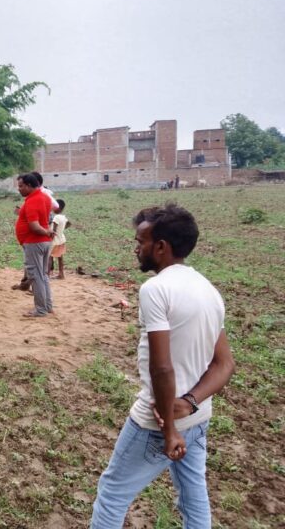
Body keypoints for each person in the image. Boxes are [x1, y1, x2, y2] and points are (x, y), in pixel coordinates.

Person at [91, 203, 235, 528]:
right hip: (197, 418)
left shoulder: (155, 290)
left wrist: (169, 428)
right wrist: (190, 402)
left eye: (140, 241)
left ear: (160, 247)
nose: (136, 248)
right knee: (193, 496)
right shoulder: (209, 291)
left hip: (156, 422)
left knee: (113, 493)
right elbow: (224, 364)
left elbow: (162, 369)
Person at [15, 173, 53, 317]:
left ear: (29, 185)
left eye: (21, 186)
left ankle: (41, 309)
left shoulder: (32, 201)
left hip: (34, 242)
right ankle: (47, 306)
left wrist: (45, 232)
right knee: (42, 275)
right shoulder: (45, 198)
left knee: (36, 276)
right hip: (43, 243)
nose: (19, 189)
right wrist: (47, 232)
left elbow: (34, 226)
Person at [48, 199, 71, 279]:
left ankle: (46, 276)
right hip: (62, 239)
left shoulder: (56, 217)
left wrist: (50, 239)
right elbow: (69, 224)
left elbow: (53, 231)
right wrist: (61, 230)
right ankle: (61, 274)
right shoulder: (63, 217)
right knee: (60, 257)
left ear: (57, 207)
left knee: (50, 257)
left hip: (55, 241)